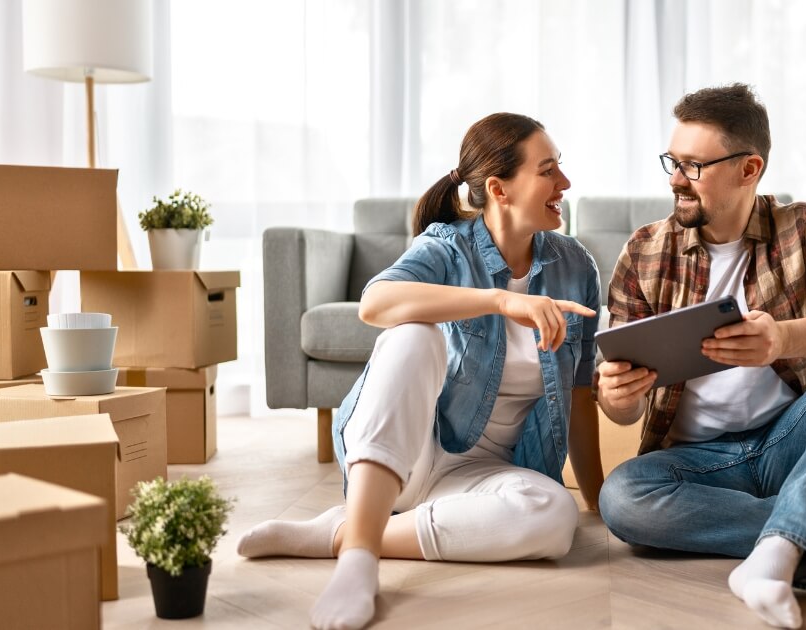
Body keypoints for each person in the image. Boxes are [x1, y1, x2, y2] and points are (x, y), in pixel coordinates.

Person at [237, 113, 604, 630]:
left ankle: (339, 533)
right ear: (499, 188)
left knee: (555, 516)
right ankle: (358, 561)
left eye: (559, 166)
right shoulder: (447, 245)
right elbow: (375, 303)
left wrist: (596, 501)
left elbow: (580, 391)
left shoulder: (575, 266)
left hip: (484, 477)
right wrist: (500, 301)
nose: (564, 182)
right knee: (413, 334)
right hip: (407, 456)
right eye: (548, 170)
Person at [595, 84, 806, 629]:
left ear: (749, 169)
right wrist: (618, 398)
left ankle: (776, 554)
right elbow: (623, 412)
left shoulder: (800, 228)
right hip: (698, 465)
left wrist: (783, 340)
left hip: (791, 441)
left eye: (694, 166)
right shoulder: (645, 251)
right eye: (673, 162)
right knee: (623, 499)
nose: (676, 179)